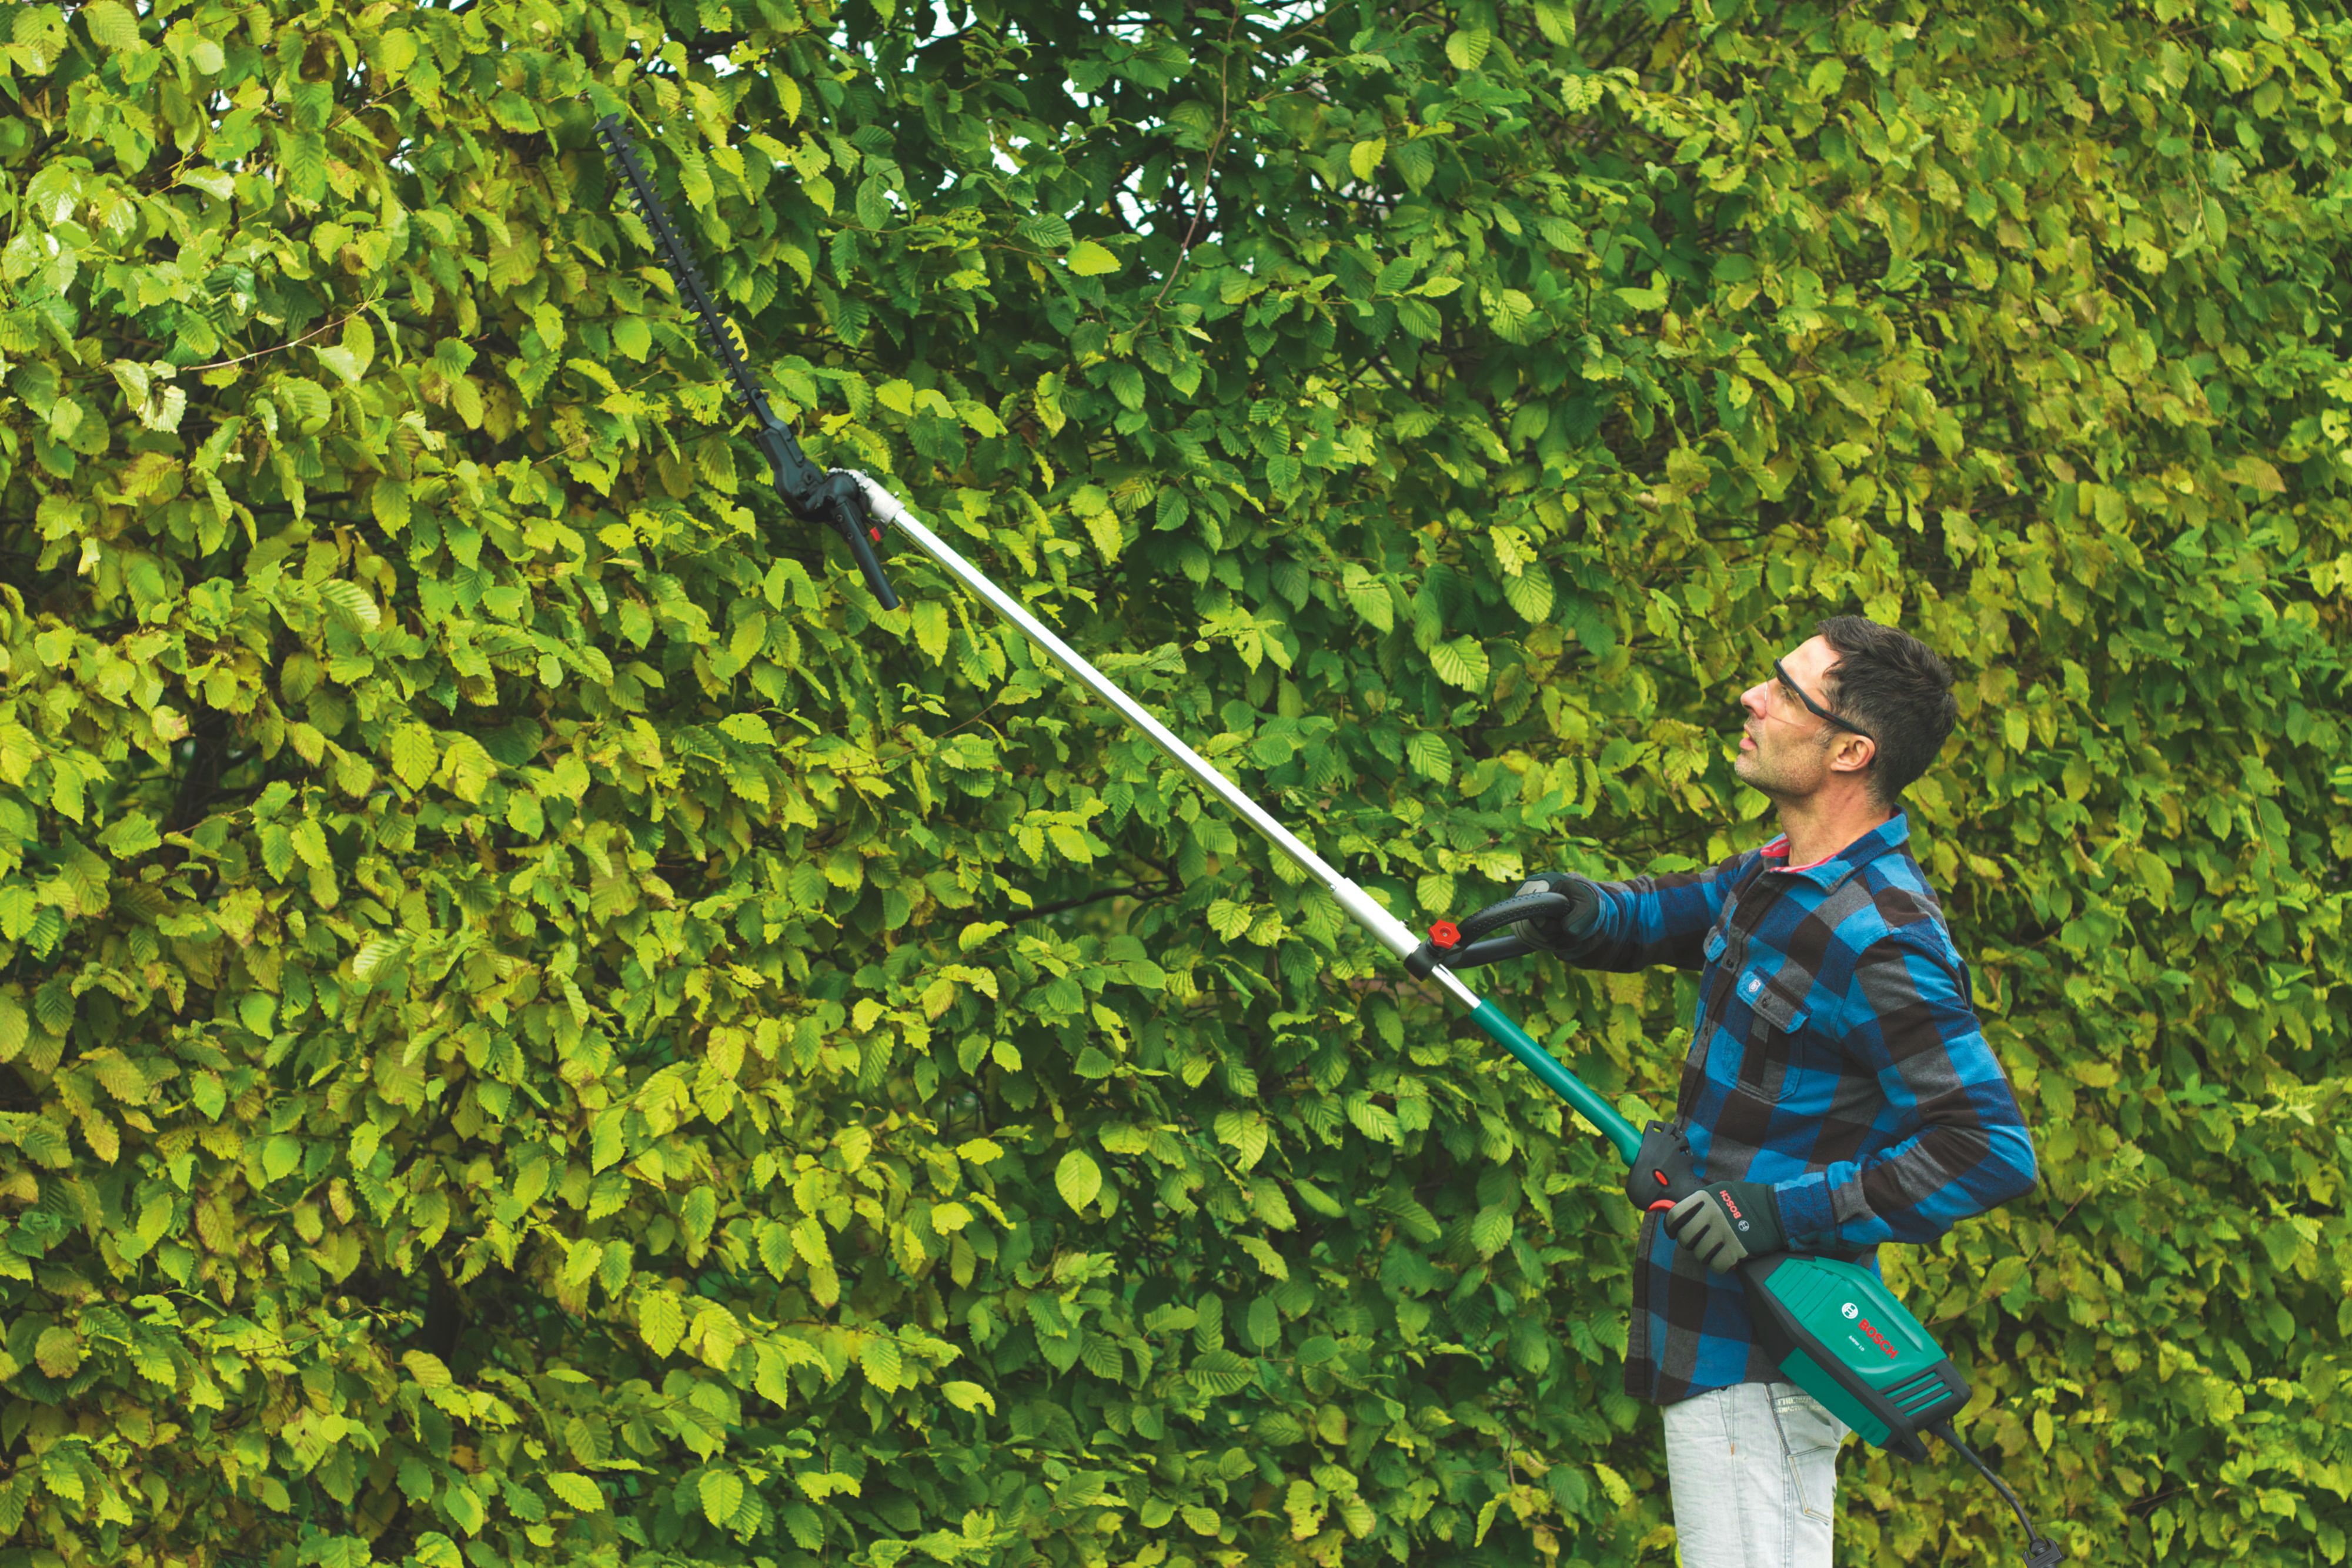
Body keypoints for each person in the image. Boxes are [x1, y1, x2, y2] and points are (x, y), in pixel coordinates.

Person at [1503, 616, 2039, 1568]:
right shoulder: (1780, 875)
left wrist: (1776, 1213)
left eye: (1788, 691)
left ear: (1850, 752)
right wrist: (1580, 912)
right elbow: (1670, 914)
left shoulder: (1883, 938)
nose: (1753, 697)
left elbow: (1987, 1147)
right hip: (1706, 1334)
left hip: (1769, 1357)